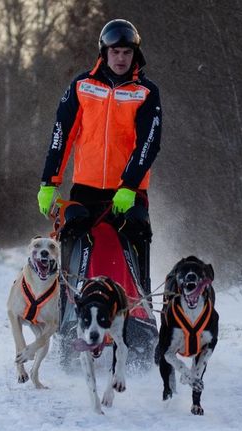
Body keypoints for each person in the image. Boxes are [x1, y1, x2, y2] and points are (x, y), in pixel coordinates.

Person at [36, 19, 162, 294]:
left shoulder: (146, 92)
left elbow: (148, 144)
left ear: (135, 55)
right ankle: (69, 309)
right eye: (115, 52)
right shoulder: (82, 85)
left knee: (138, 235)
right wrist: (49, 182)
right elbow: (62, 134)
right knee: (73, 238)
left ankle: (138, 309)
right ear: (104, 53)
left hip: (129, 192)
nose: (120, 58)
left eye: (127, 52)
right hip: (86, 188)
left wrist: (128, 186)